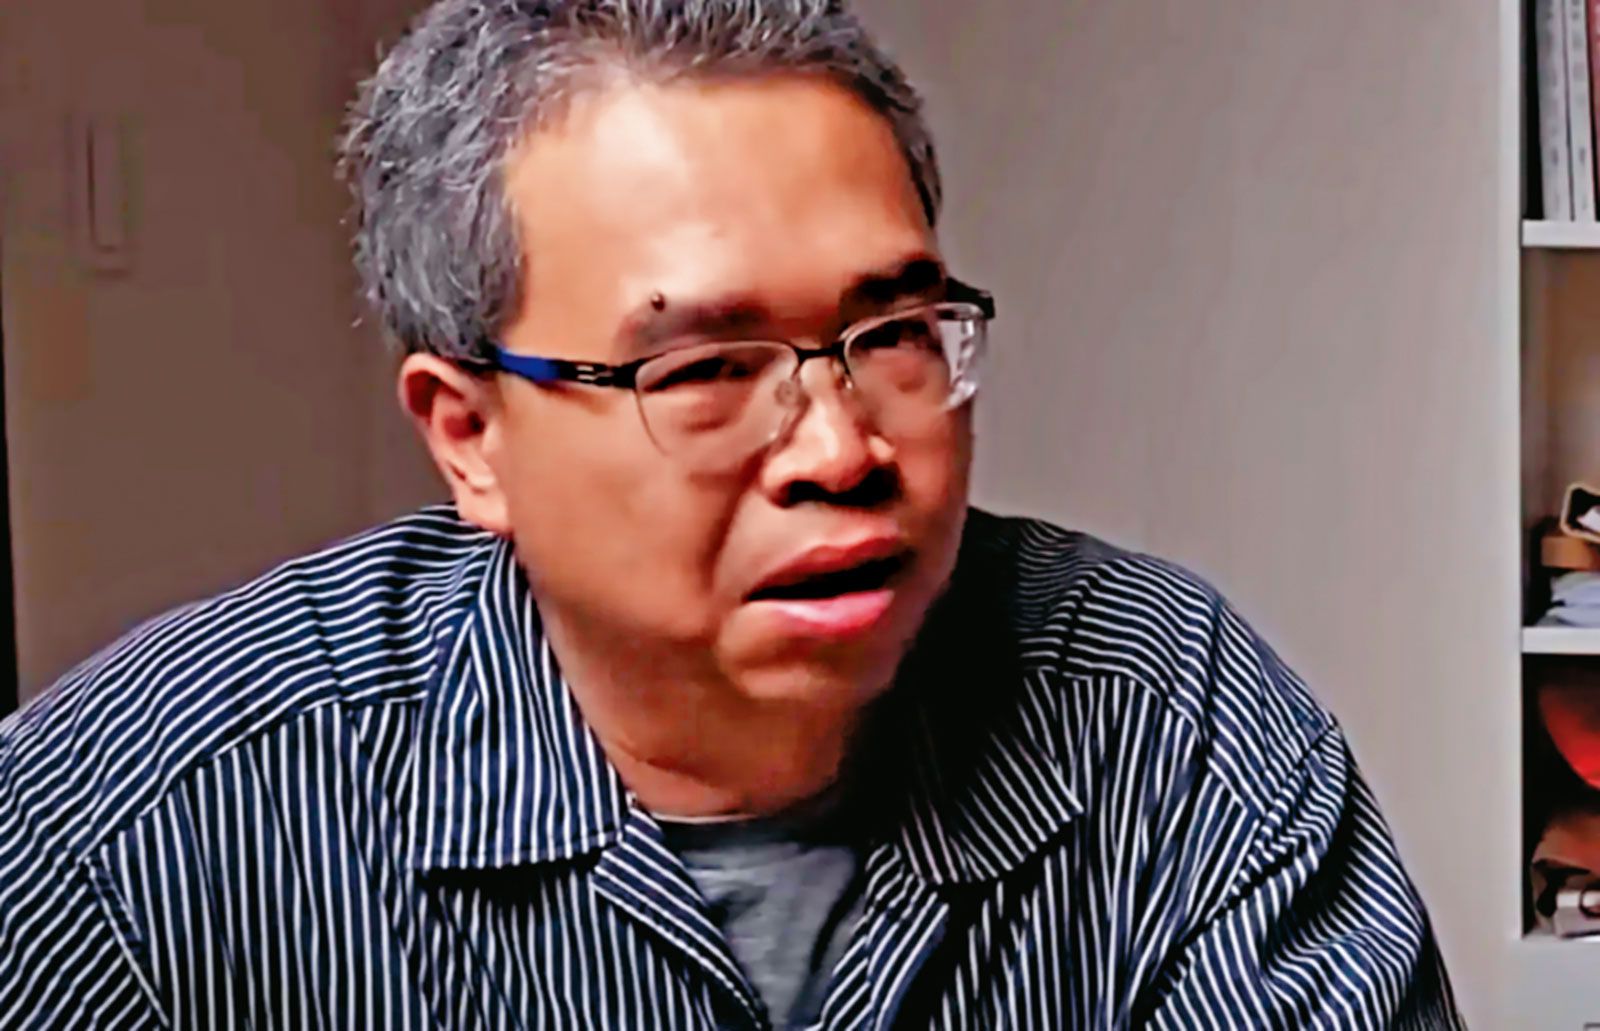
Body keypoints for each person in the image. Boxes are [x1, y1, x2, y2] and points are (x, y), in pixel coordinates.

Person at [0, 1, 1460, 1027]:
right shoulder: (128, 833)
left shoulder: (1175, 719)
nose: (841, 448)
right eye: (702, 367)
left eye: (895, 334)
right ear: (470, 439)